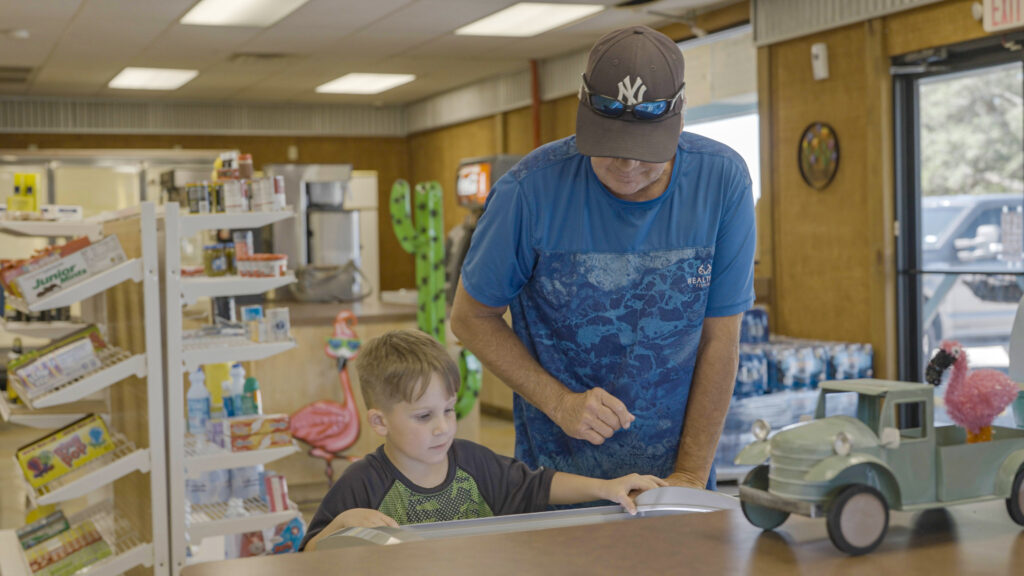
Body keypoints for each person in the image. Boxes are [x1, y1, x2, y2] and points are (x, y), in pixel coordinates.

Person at [451, 25, 755, 490]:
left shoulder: (722, 182)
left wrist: (691, 474)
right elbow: (471, 317)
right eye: (610, 146)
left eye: (645, 151)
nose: (627, 166)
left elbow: (721, 341)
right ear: (583, 111)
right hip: (557, 480)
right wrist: (559, 402)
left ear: (679, 119)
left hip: (675, 479)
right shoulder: (529, 191)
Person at [301, 329, 665, 551]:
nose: (443, 427)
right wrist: (342, 524)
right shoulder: (361, 484)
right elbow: (307, 557)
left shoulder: (474, 464)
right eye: (424, 416)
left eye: (448, 410)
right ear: (380, 422)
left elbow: (537, 485)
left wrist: (607, 488)